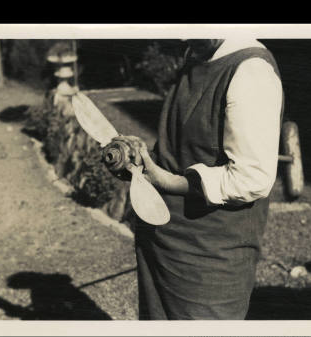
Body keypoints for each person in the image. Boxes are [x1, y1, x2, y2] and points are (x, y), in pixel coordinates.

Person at [111, 39, 284, 320]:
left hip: (208, 258)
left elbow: (252, 177)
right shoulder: (197, 54)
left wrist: (167, 181)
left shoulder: (252, 70)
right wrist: (140, 164)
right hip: (159, 239)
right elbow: (185, 148)